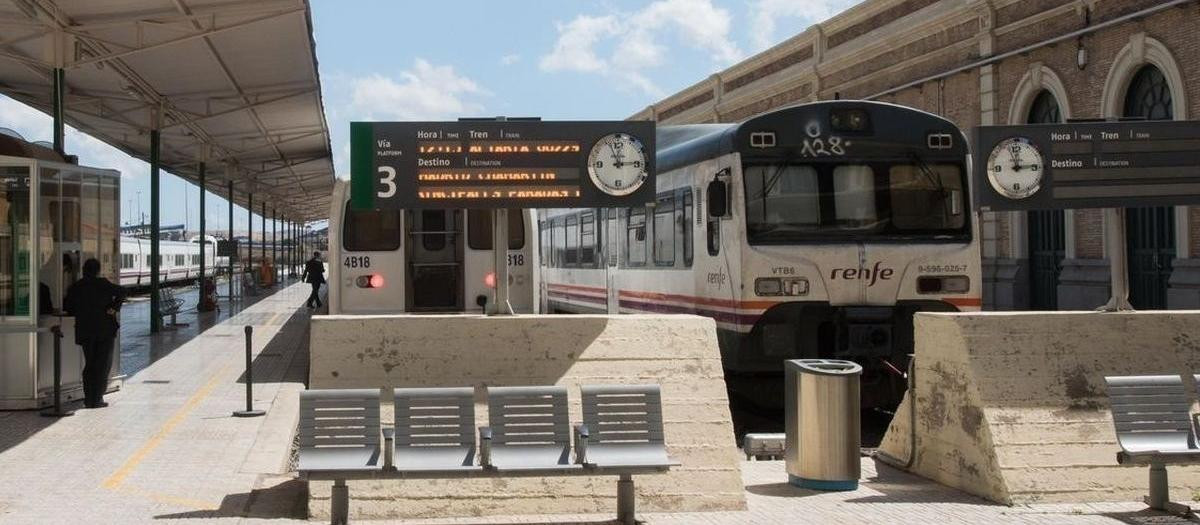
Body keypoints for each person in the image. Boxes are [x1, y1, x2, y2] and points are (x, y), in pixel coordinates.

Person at [64, 258, 125, 408]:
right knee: (102, 365)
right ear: (97, 270)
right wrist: (114, 307)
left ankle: (88, 398)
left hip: (85, 331)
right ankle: (97, 398)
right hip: (105, 330)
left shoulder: (76, 287)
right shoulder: (103, 284)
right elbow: (123, 291)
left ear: (84, 270)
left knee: (90, 364)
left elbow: (68, 307)